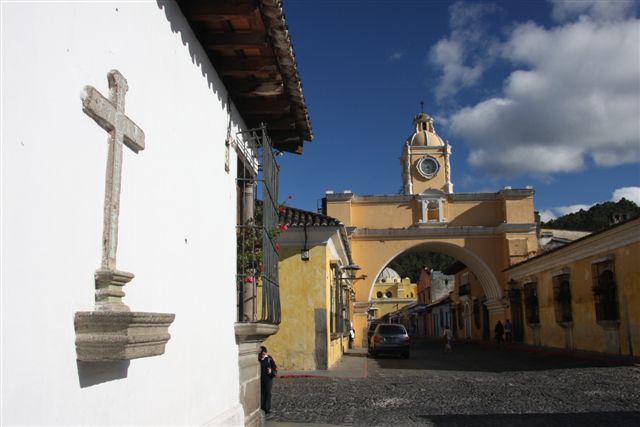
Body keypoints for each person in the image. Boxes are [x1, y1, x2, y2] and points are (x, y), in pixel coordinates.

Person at [258, 345, 277, 414]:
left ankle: (267, 408)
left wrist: (271, 371)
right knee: (261, 393)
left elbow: (274, 367)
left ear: (266, 353)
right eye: (261, 354)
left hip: (268, 378)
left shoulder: (269, 358)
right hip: (260, 378)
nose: (262, 355)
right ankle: (262, 407)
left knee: (268, 393)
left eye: (263, 354)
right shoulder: (258, 359)